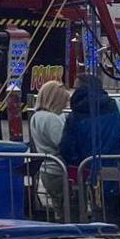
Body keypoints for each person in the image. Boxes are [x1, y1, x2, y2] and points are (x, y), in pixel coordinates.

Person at [58, 76, 120, 223]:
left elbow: (67, 148)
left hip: (92, 175)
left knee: (102, 221)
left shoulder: (75, 116)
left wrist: (79, 166)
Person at [27, 81, 69, 216]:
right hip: (58, 169)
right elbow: (62, 142)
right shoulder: (52, 119)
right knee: (68, 208)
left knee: (59, 208)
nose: (65, 105)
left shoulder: (36, 116)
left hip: (47, 169)